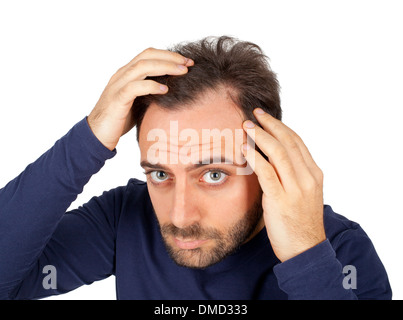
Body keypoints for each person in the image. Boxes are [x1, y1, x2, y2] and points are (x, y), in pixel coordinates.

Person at [0, 36, 392, 300]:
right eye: (160, 174)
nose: (180, 216)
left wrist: (307, 257)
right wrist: (90, 138)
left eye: (214, 174)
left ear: (270, 161)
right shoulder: (124, 218)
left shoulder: (339, 252)